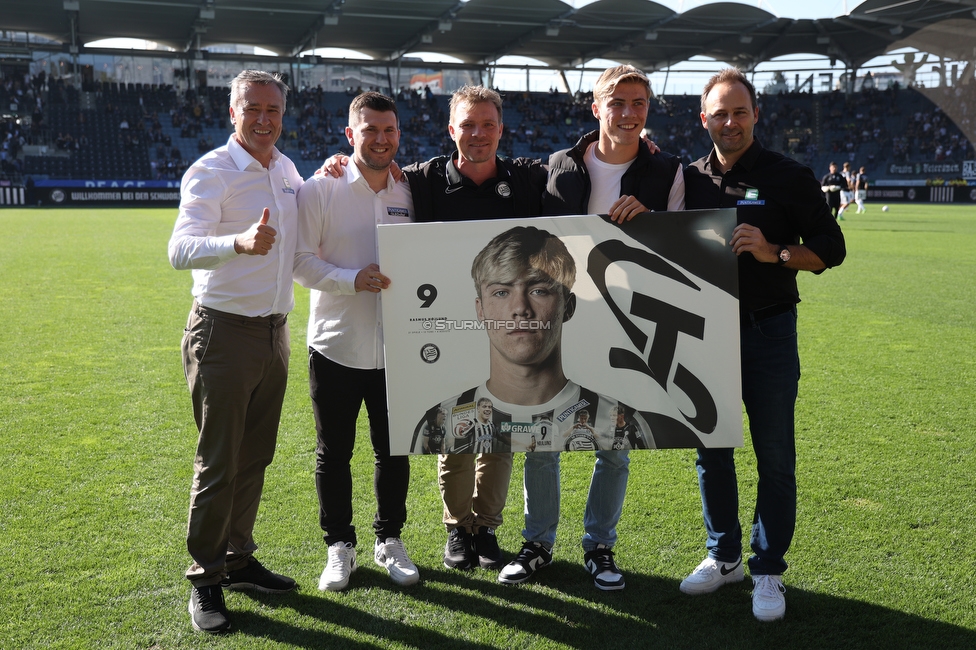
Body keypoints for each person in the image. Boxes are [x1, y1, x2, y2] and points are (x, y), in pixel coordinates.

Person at [320, 85, 549, 573]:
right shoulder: (421, 180)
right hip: (448, 328)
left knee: (502, 434)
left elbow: (577, 169)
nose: (478, 134)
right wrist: (337, 162)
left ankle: (486, 528)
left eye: (488, 124)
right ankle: (457, 528)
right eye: (468, 124)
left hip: (508, 331)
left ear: (501, 129)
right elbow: (373, 169)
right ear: (451, 129)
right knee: (458, 432)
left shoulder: (528, 178)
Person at [500, 64, 685, 592]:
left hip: (628, 325)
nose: (628, 114)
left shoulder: (667, 171)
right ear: (596, 107)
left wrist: (650, 217)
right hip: (556, 324)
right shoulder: (559, 166)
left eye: (639, 104)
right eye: (617, 102)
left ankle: (600, 546)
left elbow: (683, 249)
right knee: (542, 437)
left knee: (614, 443)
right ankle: (537, 543)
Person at [680, 67, 846, 622]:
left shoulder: (788, 176)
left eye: (740, 111)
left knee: (774, 455)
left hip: (769, 329)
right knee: (713, 451)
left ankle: (768, 567)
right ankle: (723, 556)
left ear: (756, 114)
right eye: (719, 113)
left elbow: (832, 248)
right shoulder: (687, 179)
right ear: (704, 119)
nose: (730, 122)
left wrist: (774, 250)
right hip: (707, 334)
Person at [415, 225, 658, 584]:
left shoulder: (626, 418)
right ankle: (538, 545)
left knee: (612, 451)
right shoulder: (437, 418)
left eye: (539, 290)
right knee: (540, 452)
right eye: (502, 291)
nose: (520, 309)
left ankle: (600, 548)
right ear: (480, 309)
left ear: (568, 305)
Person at [168, 70, 300, 634]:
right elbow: (179, 249)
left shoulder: (288, 170)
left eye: (273, 109)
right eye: (254, 109)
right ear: (233, 112)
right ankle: (205, 579)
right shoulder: (211, 171)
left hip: (274, 334)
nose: (265, 119)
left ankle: (238, 560)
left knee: (255, 458)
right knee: (219, 463)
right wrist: (237, 242)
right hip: (223, 334)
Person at [293, 91, 419, 593]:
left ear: (398, 136)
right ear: (351, 135)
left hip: (399, 347)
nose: (381, 139)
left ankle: (389, 539)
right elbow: (300, 262)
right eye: (370, 130)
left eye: (389, 131)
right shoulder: (319, 189)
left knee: (394, 451)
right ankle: (338, 546)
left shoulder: (410, 191)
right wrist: (352, 279)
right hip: (336, 344)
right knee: (334, 452)